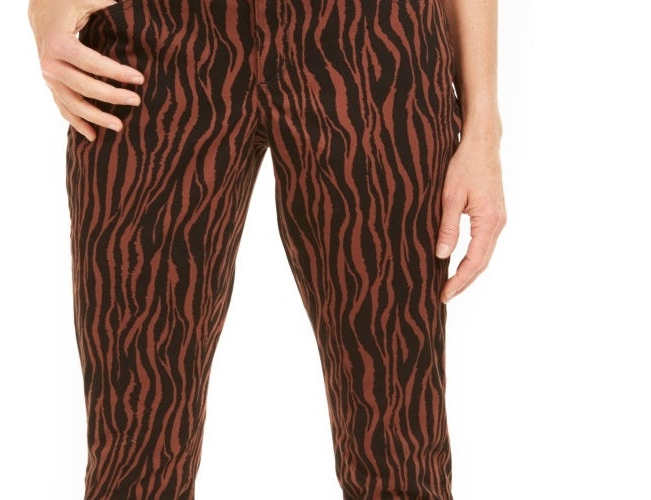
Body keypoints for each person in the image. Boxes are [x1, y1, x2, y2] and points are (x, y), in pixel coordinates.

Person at [29, 0, 506, 497]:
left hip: (367, 37)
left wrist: (482, 129)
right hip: (154, 43)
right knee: (132, 457)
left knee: (400, 453)